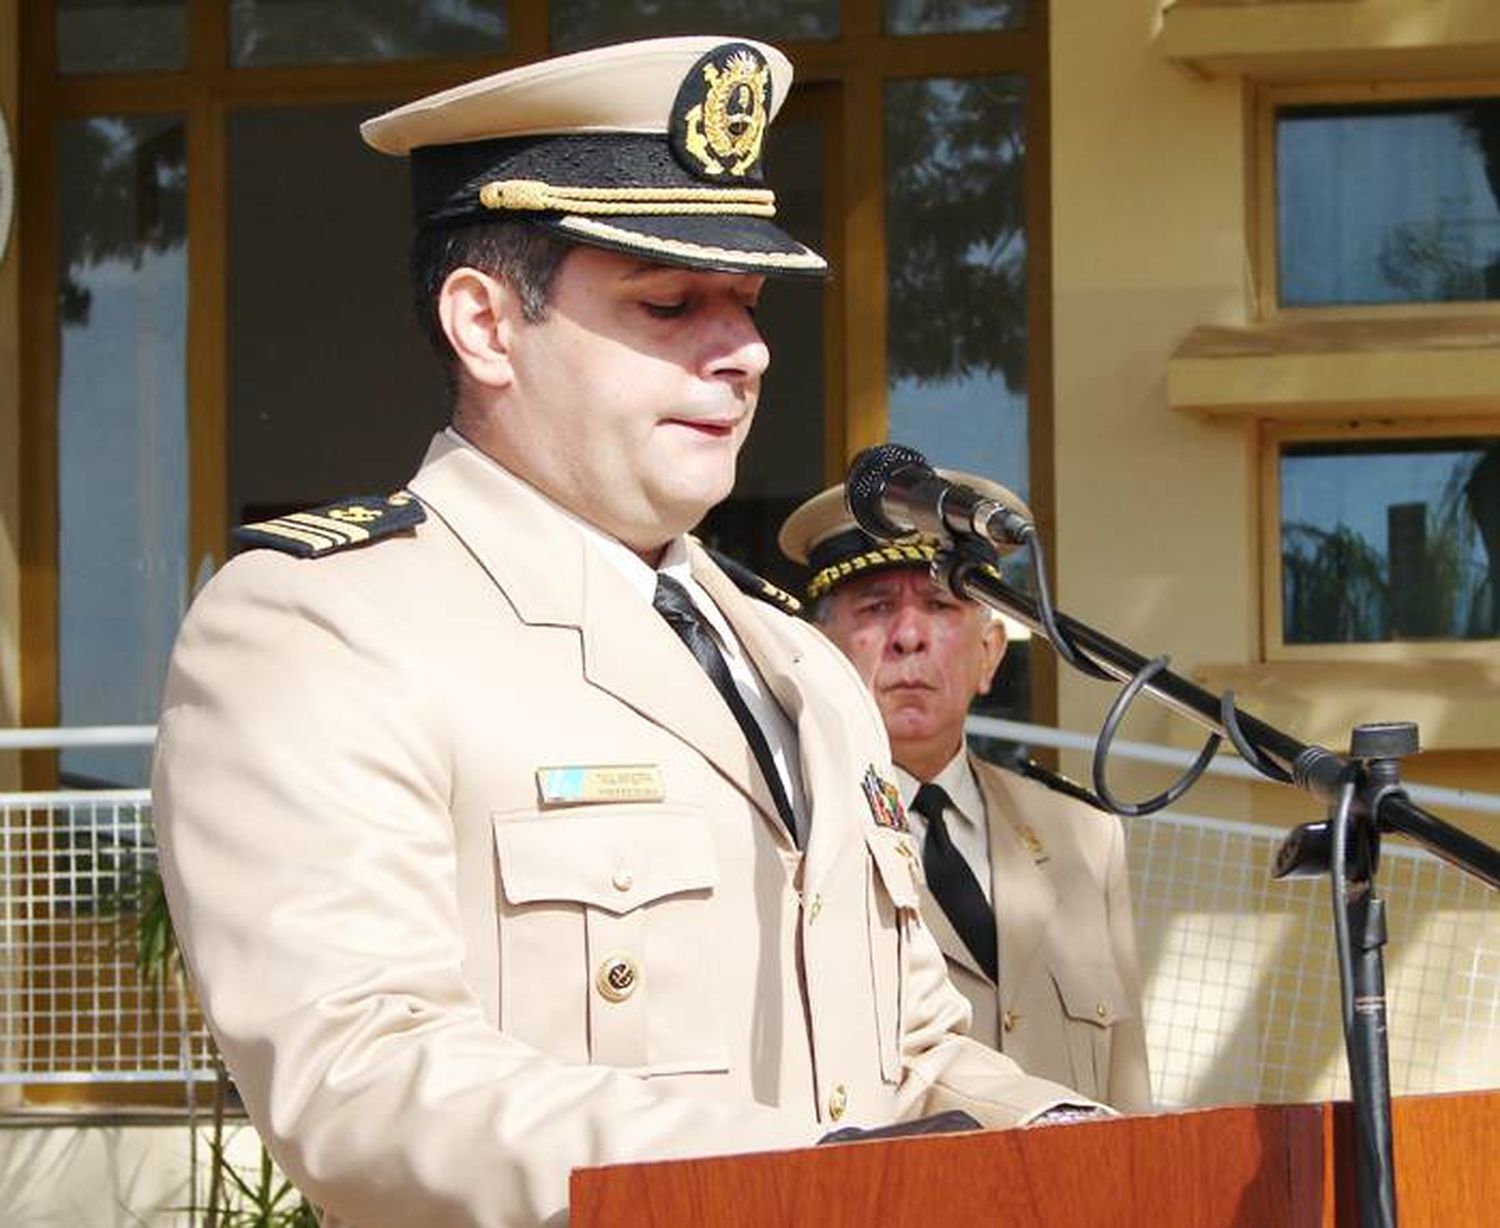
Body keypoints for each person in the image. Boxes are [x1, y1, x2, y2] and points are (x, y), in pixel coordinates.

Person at [150, 36, 1098, 1228]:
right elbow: (365, 1077)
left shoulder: (797, 658)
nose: (745, 350)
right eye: (669, 303)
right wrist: (813, 1181)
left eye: (747, 306)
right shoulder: (323, 625)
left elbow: (908, 1051)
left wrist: (1080, 1146)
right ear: (485, 325)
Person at [779, 477, 1153, 1113]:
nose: (909, 637)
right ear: (818, 651)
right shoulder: (787, 836)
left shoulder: (1082, 835)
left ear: (989, 654)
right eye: (874, 608)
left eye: (940, 605)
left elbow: (1127, 1085)